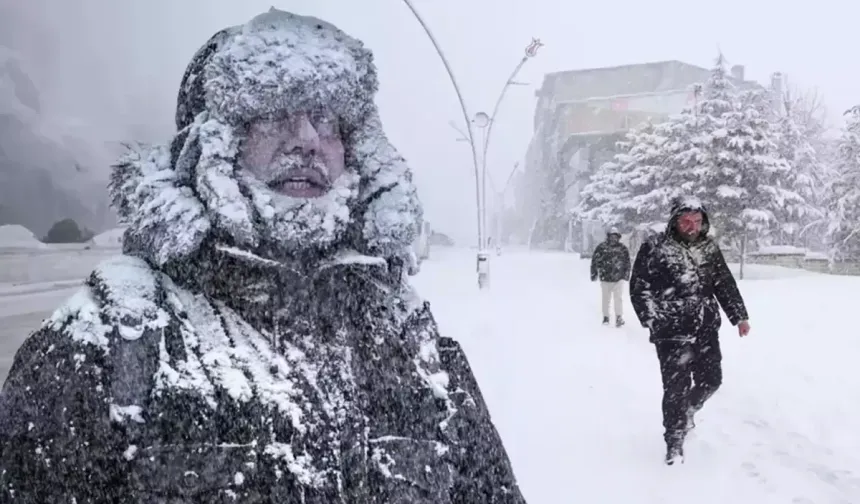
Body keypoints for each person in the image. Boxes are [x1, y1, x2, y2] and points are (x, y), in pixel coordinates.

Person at [0, 10, 526, 503]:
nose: (307, 140)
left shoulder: (410, 340)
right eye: (272, 113)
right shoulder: (106, 345)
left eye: (326, 117)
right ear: (212, 144)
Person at [629, 196, 750, 465]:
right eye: (686, 221)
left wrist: (739, 316)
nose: (692, 226)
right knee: (676, 388)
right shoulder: (655, 247)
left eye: (697, 221)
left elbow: (724, 283)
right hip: (672, 331)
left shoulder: (708, 248)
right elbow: (639, 287)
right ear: (675, 221)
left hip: (706, 327)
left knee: (712, 380)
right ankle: (674, 441)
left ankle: (688, 411)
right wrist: (653, 319)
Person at [590, 227, 631, 327]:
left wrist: (626, 274)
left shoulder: (622, 249)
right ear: (608, 237)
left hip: (618, 278)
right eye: (611, 236)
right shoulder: (601, 247)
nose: (613, 239)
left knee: (618, 298)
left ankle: (619, 317)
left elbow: (627, 263)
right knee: (605, 299)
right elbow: (595, 261)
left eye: (615, 236)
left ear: (618, 237)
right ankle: (606, 317)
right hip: (605, 278)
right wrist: (594, 273)